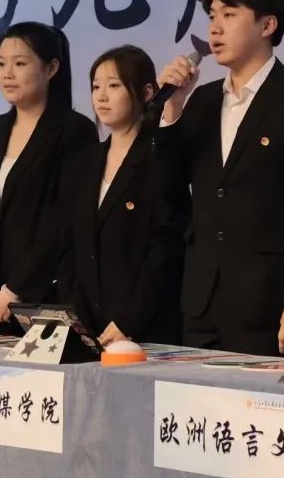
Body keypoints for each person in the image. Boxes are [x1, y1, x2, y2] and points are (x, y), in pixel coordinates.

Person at [156, 0, 284, 356]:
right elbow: (167, 188)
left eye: (229, 14)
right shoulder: (202, 101)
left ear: (267, 25)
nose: (215, 28)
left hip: (266, 305)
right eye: (212, 16)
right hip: (200, 304)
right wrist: (172, 107)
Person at [0, 21, 97, 334]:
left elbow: (65, 220)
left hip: (42, 302)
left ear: (51, 68)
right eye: (1, 64)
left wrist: (15, 290)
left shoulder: (75, 131)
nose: (7, 74)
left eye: (20, 64)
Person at [61, 45, 189, 346]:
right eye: (96, 87)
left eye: (114, 85)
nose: (101, 96)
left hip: (148, 330)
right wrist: (77, 320)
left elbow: (167, 247)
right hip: (89, 329)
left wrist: (130, 319)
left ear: (147, 92)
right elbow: (69, 248)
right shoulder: (84, 162)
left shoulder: (160, 157)